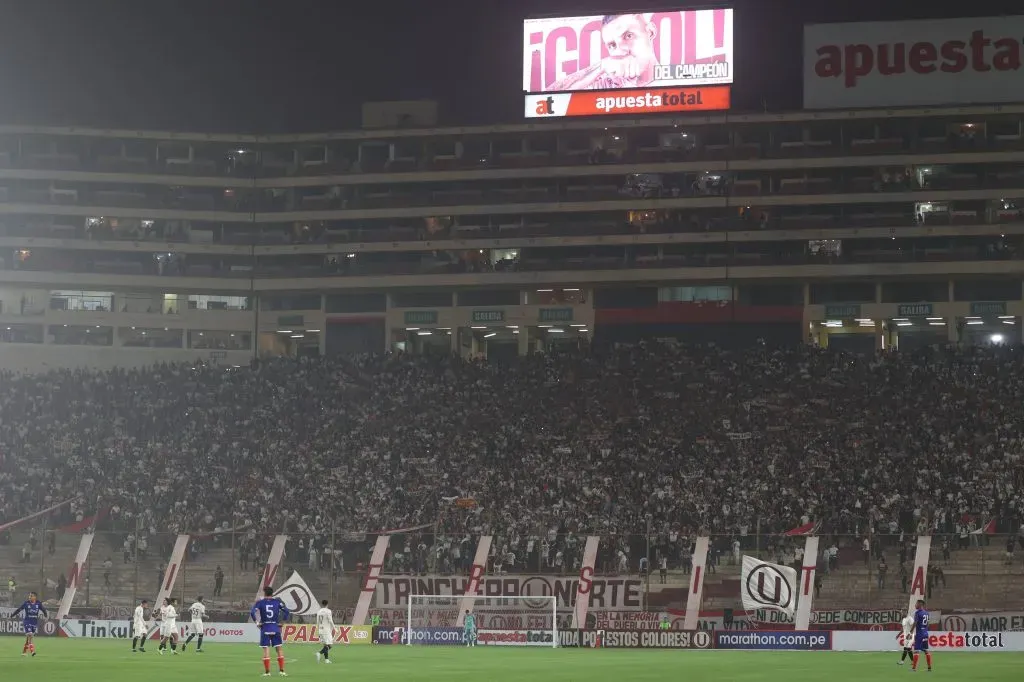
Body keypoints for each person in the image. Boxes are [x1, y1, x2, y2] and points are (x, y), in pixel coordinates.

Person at [547, 14, 660, 91]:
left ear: (650, 32)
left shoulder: (674, 79)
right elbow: (547, 98)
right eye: (612, 45)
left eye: (628, 36)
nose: (620, 51)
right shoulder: (606, 83)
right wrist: (601, 67)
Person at [251, 586, 290, 677]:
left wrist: (257, 622)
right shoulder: (277, 602)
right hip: (275, 627)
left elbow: (252, 612)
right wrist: (282, 622)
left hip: (265, 627)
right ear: (272, 593)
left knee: (266, 649)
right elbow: (287, 611)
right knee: (279, 649)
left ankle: (267, 672)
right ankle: (281, 671)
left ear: (264, 593)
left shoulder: (260, 602)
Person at [12, 592, 47, 657]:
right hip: (27, 621)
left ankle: (24, 652)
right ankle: (32, 651)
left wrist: (45, 616)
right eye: (29, 596)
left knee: (29, 638)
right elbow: (19, 609)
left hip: (34, 622)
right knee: (30, 634)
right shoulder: (26, 603)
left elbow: (44, 610)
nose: (29, 597)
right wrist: (12, 615)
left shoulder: (38, 603)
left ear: (35, 597)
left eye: (31, 596)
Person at [912, 599, 933, 672]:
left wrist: (910, 632)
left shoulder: (917, 613)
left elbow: (915, 623)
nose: (915, 605)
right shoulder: (927, 613)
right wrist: (925, 629)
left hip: (919, 634)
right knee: (926, 650)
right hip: (925, 633)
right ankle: (929, 668)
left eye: (916, 604)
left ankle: (914, 668)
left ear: (920, 604)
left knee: (916, 651)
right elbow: (928, 623)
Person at [315, 599, 335, 664]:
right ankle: (319, 653)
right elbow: (330, 620)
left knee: (325, 645)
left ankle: (326, 660)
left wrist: (318, 630)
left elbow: (317, 622)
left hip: (321, 630)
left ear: (322, 604)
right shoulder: (328, 611)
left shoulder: (319, 611)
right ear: (327, 604)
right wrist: (334, 628)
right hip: (326, 630)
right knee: (330, 645)